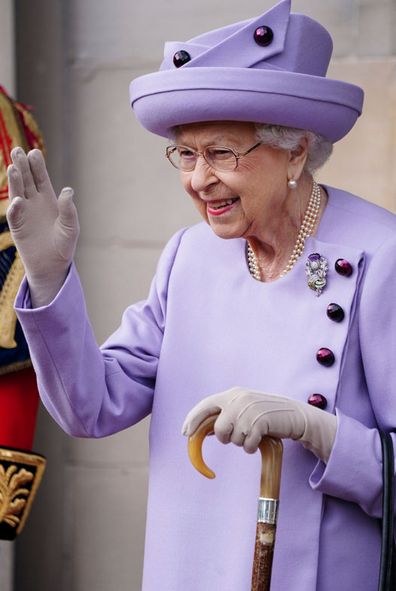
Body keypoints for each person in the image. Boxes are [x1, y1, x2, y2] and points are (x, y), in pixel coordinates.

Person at [5, 0, 396, 589]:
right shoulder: (189, 256)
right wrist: (48, 276)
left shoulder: (380, 256)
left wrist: (320, 432)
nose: (197, 178)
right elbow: (90, 407)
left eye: (221, 153)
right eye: (185, 153)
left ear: (294, 150)